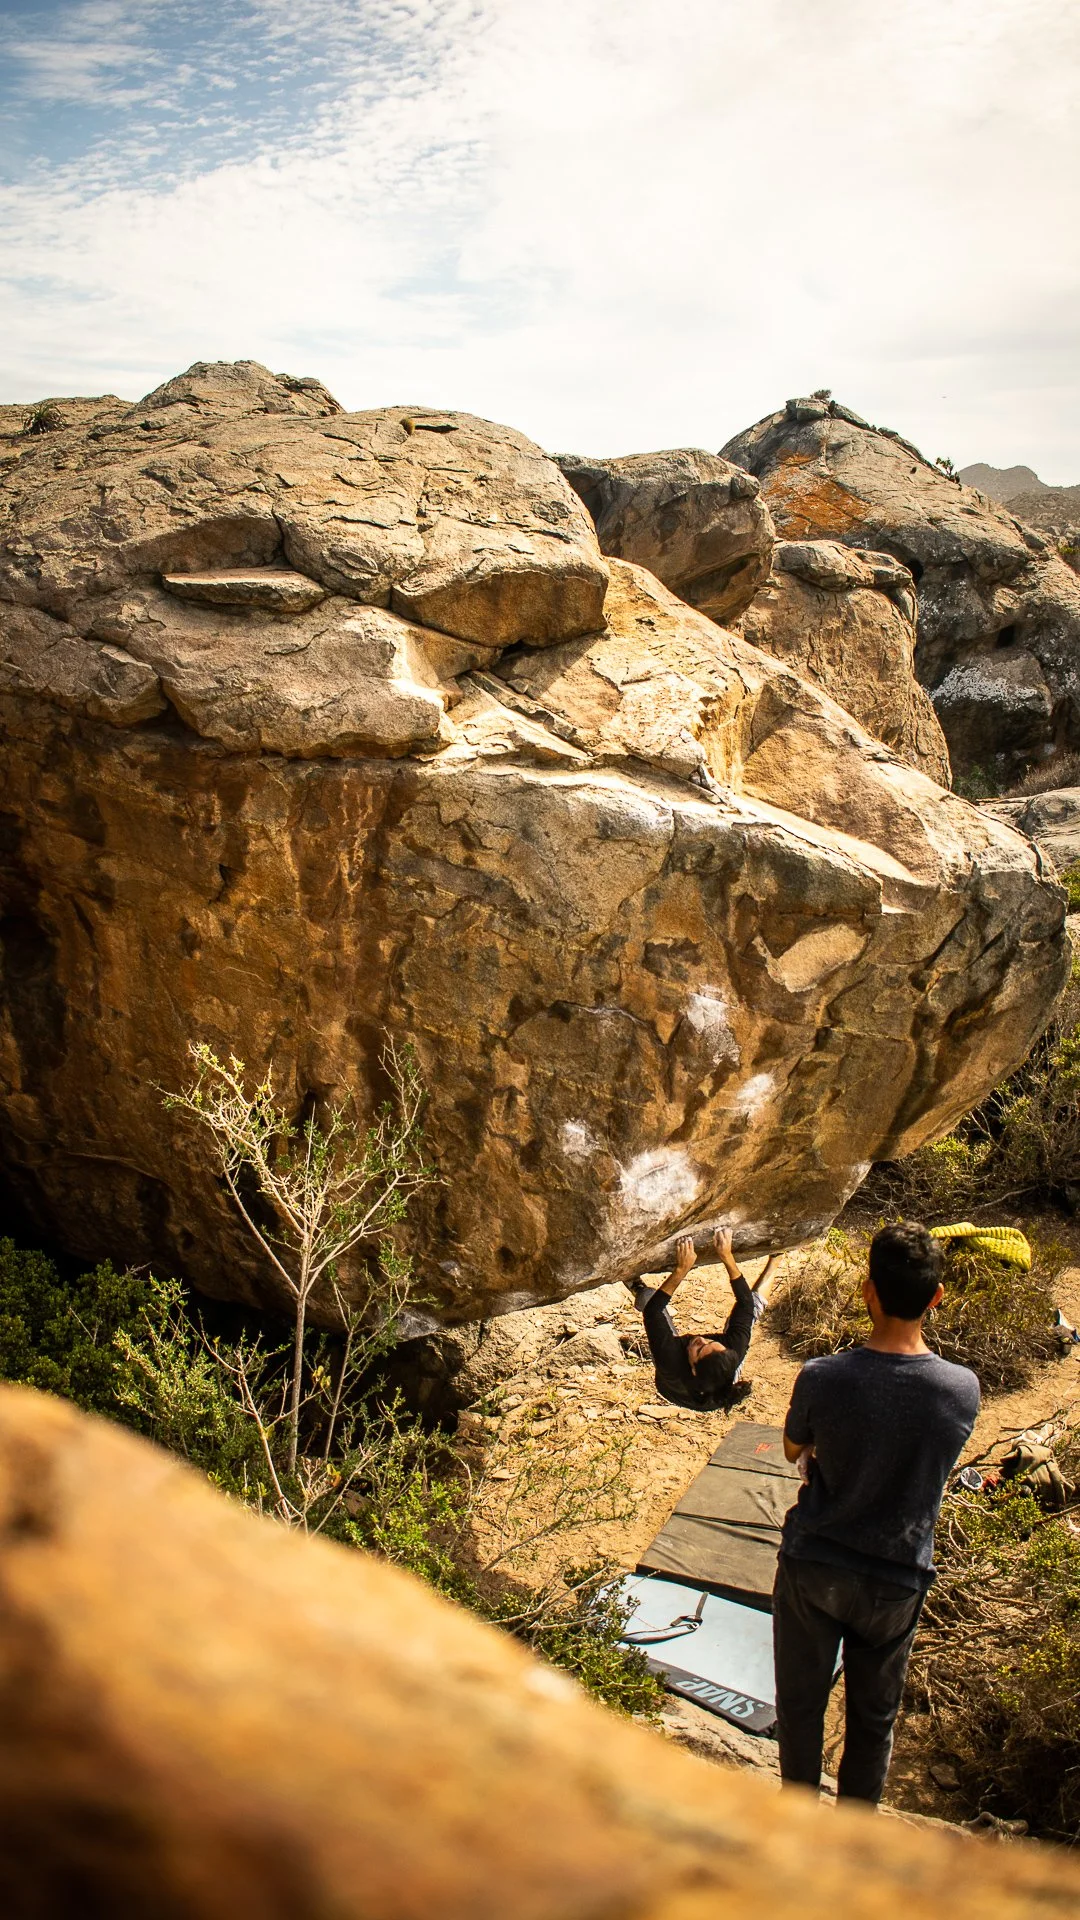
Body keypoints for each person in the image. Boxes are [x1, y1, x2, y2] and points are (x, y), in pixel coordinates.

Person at [772, 1220, 980, 1806]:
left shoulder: (823, 1376)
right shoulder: (961, 1389)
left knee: (801, 1707)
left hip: (817, 1561)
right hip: (897, 1574)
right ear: (937, 1297)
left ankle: (792, 1830)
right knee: (873, 1720)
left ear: (868, 1290)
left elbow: (793, 1448)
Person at [631, 1227, 777, 1412]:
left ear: (693, 1368)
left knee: (647, 1298)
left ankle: (635, 1286)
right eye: (712, 1342)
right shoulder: (734, 1349)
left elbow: (652, 1312)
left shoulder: (671, 1360)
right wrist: (726, 1256)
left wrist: (681, 1269)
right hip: (718, 1381)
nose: (701, 1339)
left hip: (672, 1390)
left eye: (699, 1349)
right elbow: (745, 1303)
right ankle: (777, 1258)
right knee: (753, 1309)